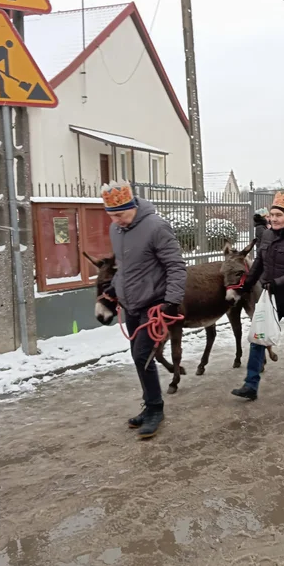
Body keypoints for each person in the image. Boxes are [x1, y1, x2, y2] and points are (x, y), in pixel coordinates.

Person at [101, 182, 187, 439]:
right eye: (112, 216)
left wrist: (171, 301)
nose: (117, 221)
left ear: (133, 207)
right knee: (139, 357)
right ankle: (150, 404)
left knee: (143, 356)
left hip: (154, 306)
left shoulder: (156, 227)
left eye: (121, 215)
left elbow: (176, 267)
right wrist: (113, 292)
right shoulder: (116, 229)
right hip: (131, 306)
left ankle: (156, 410)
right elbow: (125, 268)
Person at [232, 192, 284, 400]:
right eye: (271, 215)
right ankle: (250, 385)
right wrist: (246, 285)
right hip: (269, 301)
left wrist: (278, 282)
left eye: (279, 215)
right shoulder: (268, 236)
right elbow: (259, 263)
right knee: (258, 338)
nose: (274, 219)